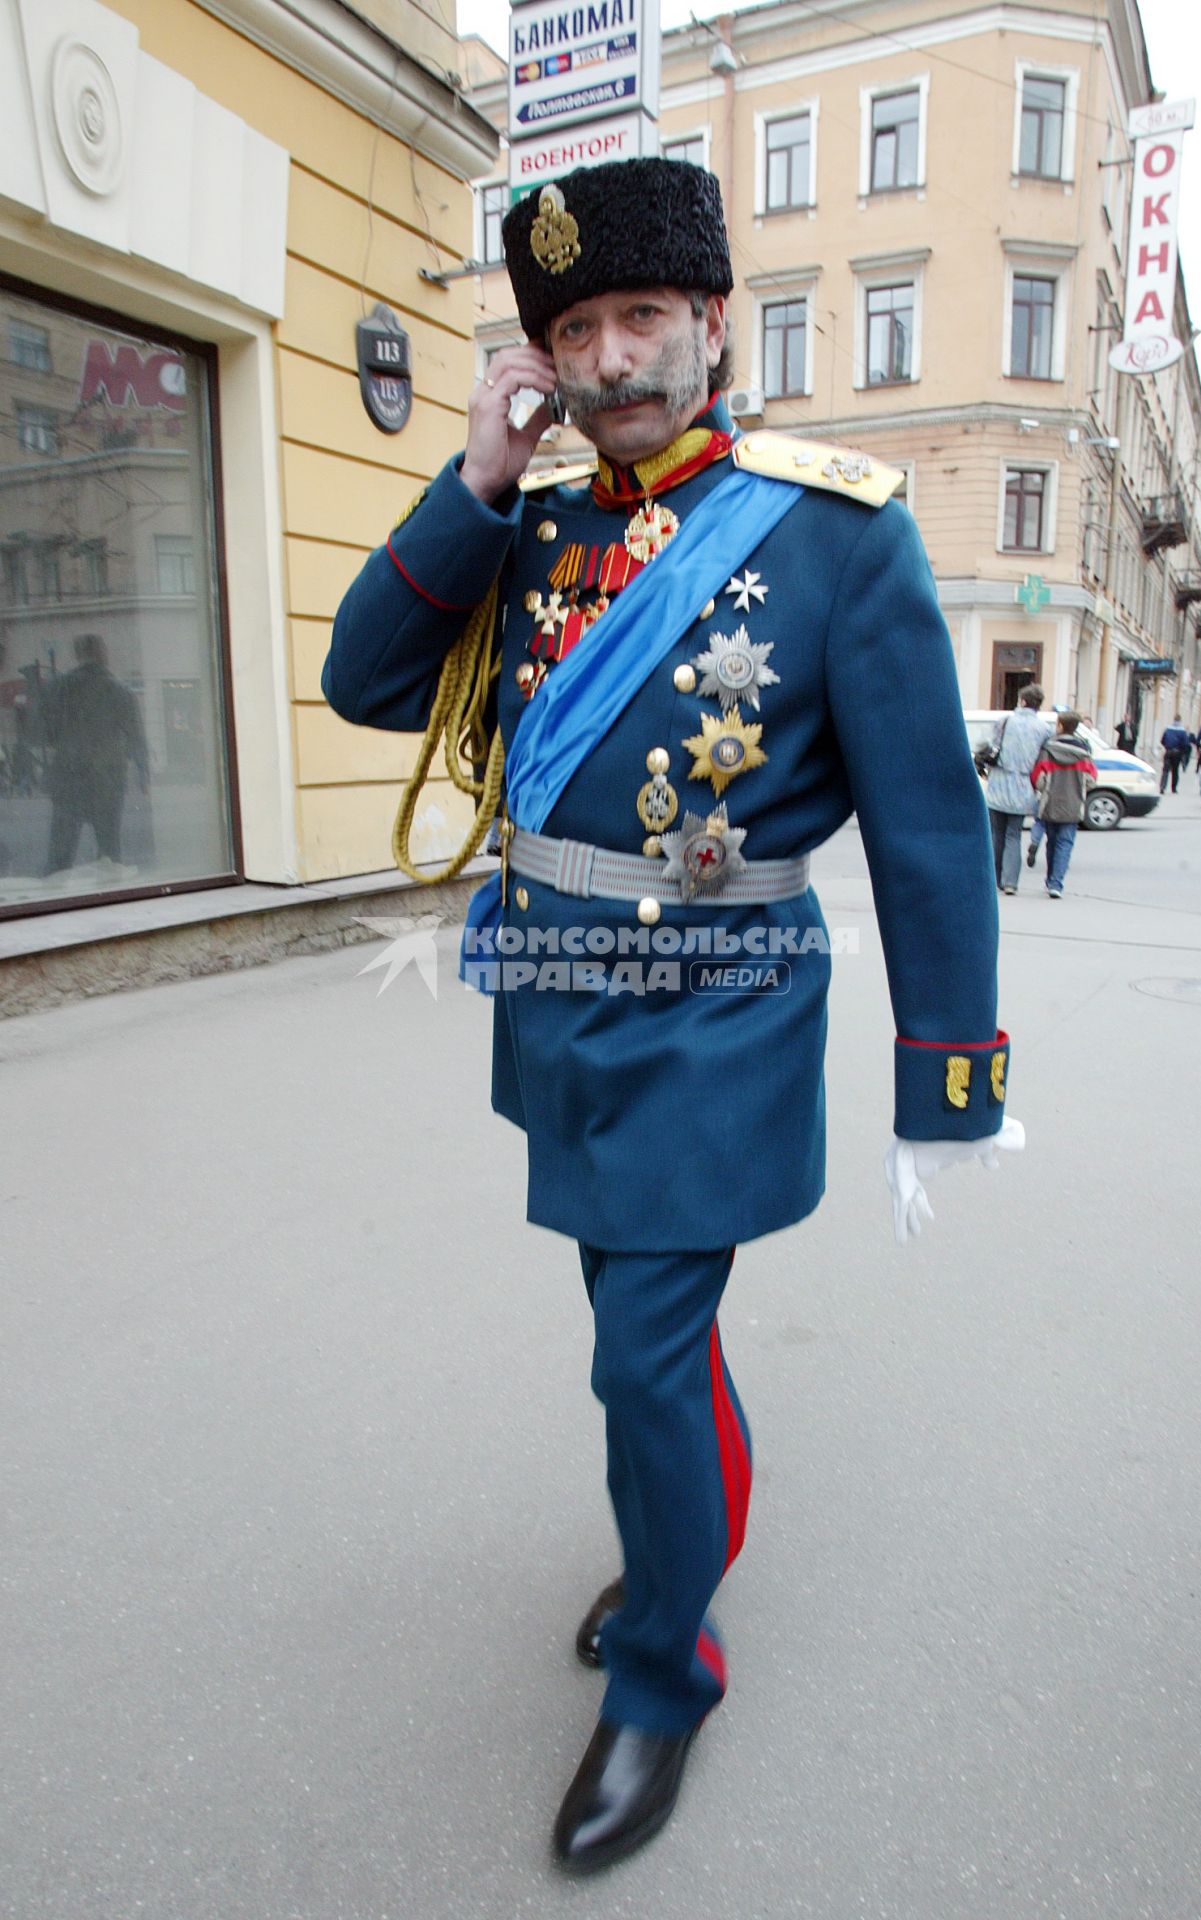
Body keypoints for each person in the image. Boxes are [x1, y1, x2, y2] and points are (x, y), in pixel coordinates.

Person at [324, 158, 1022, 1875]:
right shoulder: (534, 517)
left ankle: (665, 1669)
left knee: (638, 1350)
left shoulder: (831, 530)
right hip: (562, 1006)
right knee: (649, 1339)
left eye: (643, 315)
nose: (613, 359)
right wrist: (475, 471)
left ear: (714, 320)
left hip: (719, 1017)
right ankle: (671, 1541)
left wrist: (946, 1075)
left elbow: (931, 826)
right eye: (575, 328)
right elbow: (362, 680)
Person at [42, 633, 148, 877]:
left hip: (68, 776)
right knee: (109, 850)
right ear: (101, 653)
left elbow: (46, 732)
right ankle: (108, 897)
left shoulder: (58, 687)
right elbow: (135, 736)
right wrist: (142, 772)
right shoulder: (118, 690)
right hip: (106, 778)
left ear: (78, 654)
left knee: (60, 851)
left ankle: (54, 899)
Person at [983, 685, 1048, 893]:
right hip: (1023, 786)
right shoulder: (1044, 728)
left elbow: (990, 745)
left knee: (996, 833)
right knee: (1014, 834)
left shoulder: (1005, 721)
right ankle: (1010, 882)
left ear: (1022, 701)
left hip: (999, 783)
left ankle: (995, 879)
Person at [1028, 712, 1096, 897]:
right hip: (1073, 804)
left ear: (1059, 726)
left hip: (1050, 803)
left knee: (1052, 842)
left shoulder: (1048, 750)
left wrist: (1044, 788)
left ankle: (1049, 879)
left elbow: (1038, 778)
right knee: (1065, 844)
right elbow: (1091, 780)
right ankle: (1056, 884)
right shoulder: (1084, 753)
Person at [1159, 716, 1190, 793]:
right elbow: (1185, 743)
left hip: (1168, 751)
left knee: (1165, 770)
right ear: (1180, 721)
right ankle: (1174, 788)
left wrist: (1167, 746)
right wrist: (1182, 752)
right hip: (1177, 753)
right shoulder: (1182, 731)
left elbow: (1162, 740)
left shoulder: (1168, 729)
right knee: (1175, 771)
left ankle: (1162, 787)